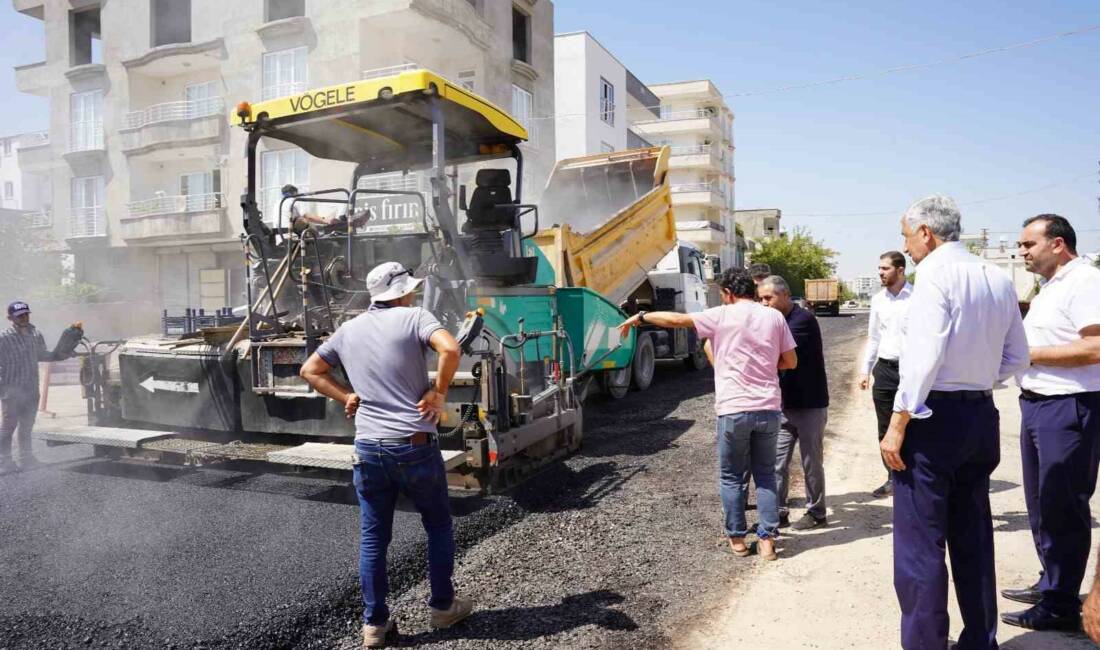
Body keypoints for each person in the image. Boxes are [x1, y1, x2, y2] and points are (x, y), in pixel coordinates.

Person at [881, 195, 1029, 650]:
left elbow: (923, 360)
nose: (905, 247)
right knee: (973, 536)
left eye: (907, 235)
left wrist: (898, 423)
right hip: (979, 414)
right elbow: (1017, 357)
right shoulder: (995, 276)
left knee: (921, 546)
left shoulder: (935, 277)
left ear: (926, 231)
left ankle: (926, 643)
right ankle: (980, 640)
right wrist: (980, 378)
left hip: (933, 420)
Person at [299, 262, 471, 648]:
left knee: (374, 539)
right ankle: (443, 607)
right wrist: (439, 393)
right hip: (413, 447)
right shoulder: (415, 316)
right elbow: (451, 349)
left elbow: (309, 370)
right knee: (439, 526)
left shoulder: (348, 329)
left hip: (368, 450)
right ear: (404, 291)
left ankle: (374, 626)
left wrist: (347, 396)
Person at [620, 268, 796, 560]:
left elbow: (676, 320)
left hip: (733, 410)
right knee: (765, 475)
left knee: (731, 477)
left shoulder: (722, 315)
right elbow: (790, 360)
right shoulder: (774, 316)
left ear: (728, 293)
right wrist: (764, 362)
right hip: (768, 408)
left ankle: (737, 539)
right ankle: (767, 541)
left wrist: (641, 317)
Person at [999, 214, 1100, 632]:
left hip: (1068, 407)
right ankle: (1052, 582)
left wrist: (1029, 354)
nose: (1022, 252)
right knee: (1042, 505)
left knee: (1063, 506)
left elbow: (1095, 346)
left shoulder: (1085, 282)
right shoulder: (1051, 287)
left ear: (1057, 244)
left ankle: (1060, 604)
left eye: (1028, 244)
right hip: (1039, 405)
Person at [758, 275, 829, 530]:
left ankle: (817, 513)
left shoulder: (802, 320)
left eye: (769, 298)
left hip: (810, 404)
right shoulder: (774, 321)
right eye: (761, 299)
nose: (764, 304)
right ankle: (778, 512)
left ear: (785, 295)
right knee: (776, 463)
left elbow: (774, 352)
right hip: (784, 405)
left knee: (811, 462)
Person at [0, 301, 80, 472]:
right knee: (8, 426)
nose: (24, 318)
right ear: (10, 318)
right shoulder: (4, 338)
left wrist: (64, 351)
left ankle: (27, 458)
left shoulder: (35, 334)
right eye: (20, 315)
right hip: (11, 390)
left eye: (26, 314)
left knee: (27, 425)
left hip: (31, 389)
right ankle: (4, 461)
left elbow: (45, 355)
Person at [858, 251, 912, 498]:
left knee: (913, 423)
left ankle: (914, 475)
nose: (880, 273)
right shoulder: (878, 300)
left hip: (912, 370)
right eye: (879, 268)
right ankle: (892, 477)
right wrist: (865, 370)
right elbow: (874, 337)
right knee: (884, 425)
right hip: (885, 368)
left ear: (900, 270)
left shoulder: (918, 297)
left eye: (885, 269)